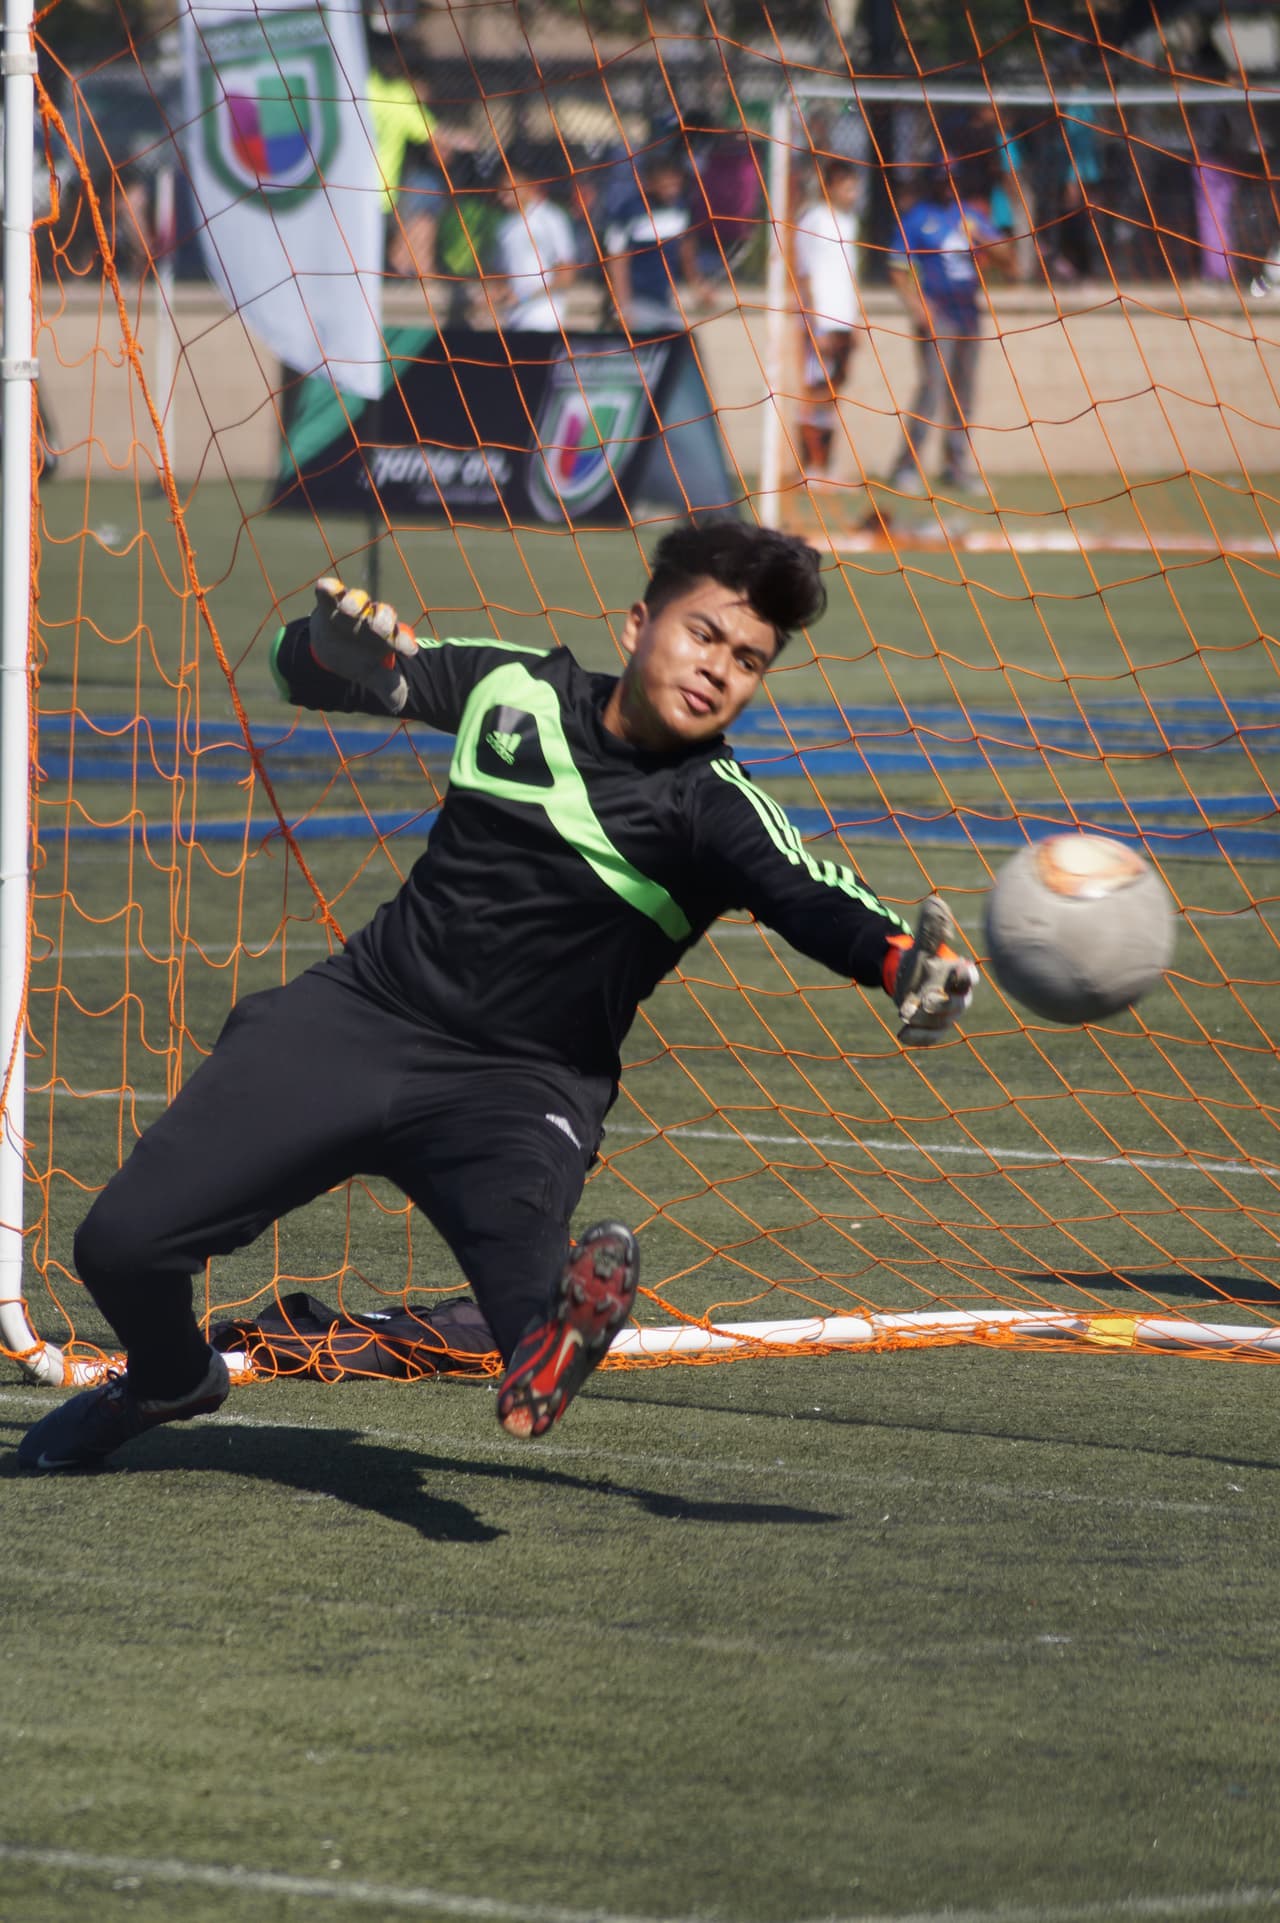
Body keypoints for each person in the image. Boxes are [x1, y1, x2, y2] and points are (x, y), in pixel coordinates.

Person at [17, 522, 977, 1474]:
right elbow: (312, 671)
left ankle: (545, 1350)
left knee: (531, 1292)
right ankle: (170, 1376)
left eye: (749, 660)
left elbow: (813, 895)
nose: (720, 668)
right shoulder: (517, 684)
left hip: (521, 1089)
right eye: (704, 634)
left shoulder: (713, 807)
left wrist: (905, 964)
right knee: (118, 1246)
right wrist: (320, 649)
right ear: (640, 620)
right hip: (361, 1015)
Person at [886, 165, 1009, 497]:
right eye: (941, 178)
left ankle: (956, 468)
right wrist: (918, 305)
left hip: (969, 314)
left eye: (952, 178)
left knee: (964, 394)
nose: (946, 184)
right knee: (932, 390)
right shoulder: (916, 218)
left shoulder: (971, 215)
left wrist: (984, 239)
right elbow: (897, 269)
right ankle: (906, 468)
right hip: (938, 316)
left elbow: (1008, 259)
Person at [792, 161, 864, 490]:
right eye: (848, 186)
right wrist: (813, 322)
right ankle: (808, 467)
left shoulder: (850, 223)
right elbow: (802, 273)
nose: (854, 193)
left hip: (843, 318)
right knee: (814, 389)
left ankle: (825, 466)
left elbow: (849, 276)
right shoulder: (813, 219)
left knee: (834, 391)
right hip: (819, 318)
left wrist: (857, 319)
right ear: (832, 186)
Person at [603, 153, 712, 333]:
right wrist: (622, 307)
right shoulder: (630, 212)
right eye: (667, 180)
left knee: (682, 344)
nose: (672, 186)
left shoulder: (680, 210)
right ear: (650, 182)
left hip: (665, 301)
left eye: (675, 180)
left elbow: (686, 251)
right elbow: (617, 261)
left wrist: (698, 286)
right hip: (637, 302)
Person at [486, 165, 577, 332]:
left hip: (545, 319)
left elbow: (566, 275)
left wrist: (524, 297)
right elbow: (498, 276)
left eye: (508, 190)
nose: (502, 196)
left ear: (528, 185)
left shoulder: (551, 218)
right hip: (511, 320)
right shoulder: (504, 227)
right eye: (500, 191)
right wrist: (496, 294)